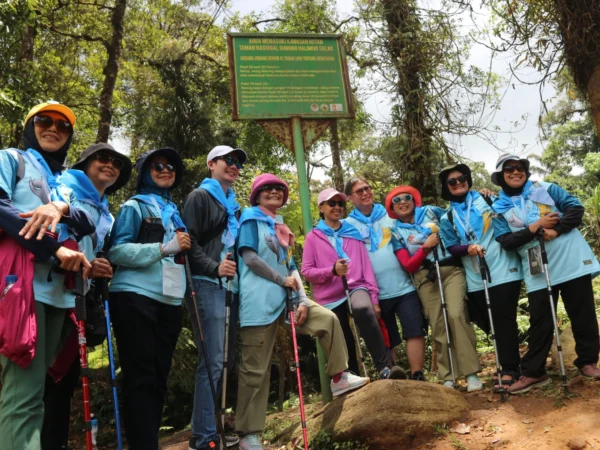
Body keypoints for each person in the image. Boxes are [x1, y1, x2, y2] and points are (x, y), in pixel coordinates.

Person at [235, 175, 369, 450]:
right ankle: (248, 434)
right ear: (256, 195)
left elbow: (291, 265)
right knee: (255, 370)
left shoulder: (280, 225)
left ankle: (339, 377)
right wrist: (279, 279)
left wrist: (304, 300)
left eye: (278, 189)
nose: (273, 193)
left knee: (328, 320)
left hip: (288, 300)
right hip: (258, 303)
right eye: (266, 189)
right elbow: (249, 258)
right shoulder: (250, 219)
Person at [0, 102, 94, 450]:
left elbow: (87, 218)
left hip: (56, 293)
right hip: (19, 286)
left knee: (35, 392)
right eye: (44, 121)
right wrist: (55, 250)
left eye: (63, 126)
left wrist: (60, 206)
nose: (53, 128)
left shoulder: (61, 181)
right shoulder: (12, 159)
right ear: (29, 126)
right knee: (22, 393)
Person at [41, 142, 132, 449]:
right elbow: (56, 232)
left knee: (63, 379)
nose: (110, 165)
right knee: (42, 379)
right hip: (49, 288)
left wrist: (100, 265)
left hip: (79, 294)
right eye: (103, 158)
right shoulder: (65, 186)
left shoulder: (104, 210)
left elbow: (94, 250)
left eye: (116, 163)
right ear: (86, 163)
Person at [491, 154, 600, 394]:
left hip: (571, 261)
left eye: (519, 167)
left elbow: (576, 209)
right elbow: (506, 241)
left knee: (582, 312)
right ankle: (534, 372)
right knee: (540, 319)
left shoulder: (547, 189)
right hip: (537, 268)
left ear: (525, 171)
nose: (515, 172)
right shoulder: (498, 209)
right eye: (508, 169)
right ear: (501, 177)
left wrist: (557, 230)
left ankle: (587, 362)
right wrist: (535, 227)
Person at [107, 147, 191, 450]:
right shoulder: (134, 206)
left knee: (158, 377)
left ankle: (148, 442)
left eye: (171, 166)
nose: (166, 170)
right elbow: (116, 251)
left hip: (168, 301)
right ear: (145, 172)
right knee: (140, 376)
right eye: (157, 166)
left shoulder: (175, 212)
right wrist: (163, 249)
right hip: (134, 297)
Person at [385, 185, 483, 391]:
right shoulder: (395, 232)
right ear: (392, 207)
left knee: (456, 316)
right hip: (424, 277)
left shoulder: (432, 212)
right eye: (397, 200)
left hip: (450, 270)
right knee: (438, 324)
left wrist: (479, 196)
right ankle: (448, 376)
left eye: (407, 198)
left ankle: (471, 373)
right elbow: (409, 265)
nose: (402, 202)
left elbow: (456, 212)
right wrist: (426, 247)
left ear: (414, 200)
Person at [302, 187, 404, 380]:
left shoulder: (352, 232)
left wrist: (373, 298)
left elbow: (366, 267)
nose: (337, 207)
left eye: (341, 203)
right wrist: (331, 271)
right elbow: (307, 271)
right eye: (332, 203)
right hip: (329, 295)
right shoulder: (313, 237)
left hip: (356, 286)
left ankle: (383, 367)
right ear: (321, 207)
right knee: (341, 332)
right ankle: (350, 377)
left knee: (364, 311)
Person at [437, 164, 523, 388]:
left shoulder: (487, 201)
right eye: (452, 181)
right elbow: (452, 246)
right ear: (446, 188)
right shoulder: (447, 217)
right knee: (487, 320)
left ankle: (510, 367)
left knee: (503, 318)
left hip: (503, 268)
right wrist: (467, 249)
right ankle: (510, 361)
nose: (458, 183)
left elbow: (509, 211)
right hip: (475, 275)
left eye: (462, 178)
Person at [182, 145, 246, 450]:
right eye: (228, 161)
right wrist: (214, 267)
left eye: (237, 163)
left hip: (227, 287)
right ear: (211, 164)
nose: (234, 166)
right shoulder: (200, 197)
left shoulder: (233, 204)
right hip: (205, 283)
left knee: (223, 359)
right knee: (213, 361)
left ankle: (210, 429)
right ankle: (204, 436)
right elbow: (187, 241)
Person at [344, 177, 427, 380]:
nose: (365, 192)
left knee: (414, 329)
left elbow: (419, 218)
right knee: (384, 336)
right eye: (359, 191)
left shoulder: (391, 215)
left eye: (367, 188)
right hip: (374, 291)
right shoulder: (347, 225)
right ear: (349, 198)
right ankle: (392, 376)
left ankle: (417, 374)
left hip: (404, 285)